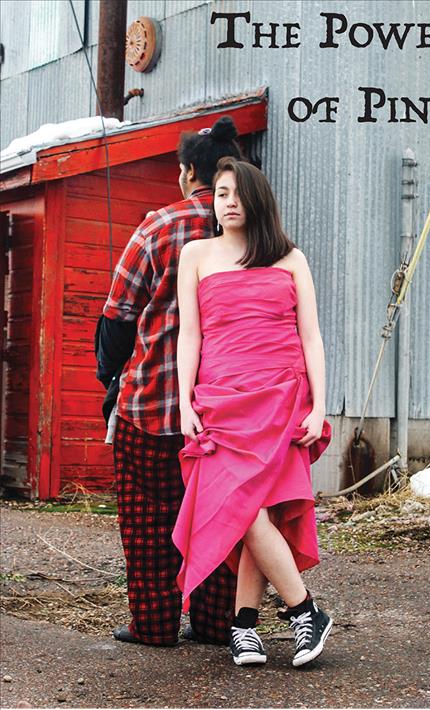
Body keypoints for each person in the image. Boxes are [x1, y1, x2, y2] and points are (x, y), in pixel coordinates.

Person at [173, 156, 333, 667]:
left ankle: (245, 626)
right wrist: (184, 404)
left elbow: (311, 336)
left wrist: (320, 406)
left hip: (283, 399)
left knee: (255, 511)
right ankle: (304, 611)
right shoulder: (195, 255)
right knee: (240, 506)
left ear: (257, 199)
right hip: (221, 401)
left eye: (238, 193)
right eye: (221, 193)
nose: (229, 202)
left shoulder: (290, 259)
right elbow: (190, 335)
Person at [98, 117, 242, 646]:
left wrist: (109, 376)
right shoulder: (253, 233)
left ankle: (155, 624)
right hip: (227, 414)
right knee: (222, 519)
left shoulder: (158, 227)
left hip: (152, 408)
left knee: (147, 520)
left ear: (186, 173)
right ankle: (215, 622)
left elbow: (117, 316)